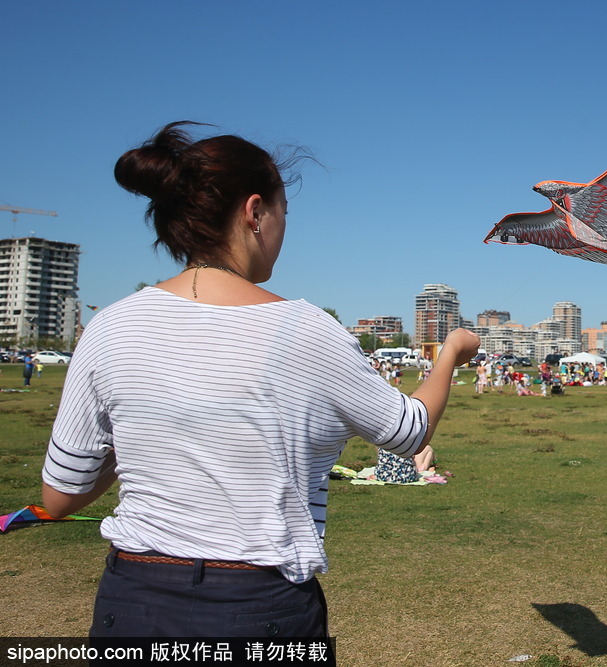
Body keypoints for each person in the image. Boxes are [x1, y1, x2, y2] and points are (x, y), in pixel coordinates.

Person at [39, 122, 480, 640]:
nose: (283, 232)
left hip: (132, 598)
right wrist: (450, 351)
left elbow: (60, 497)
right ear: (255, 212)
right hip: (255, 603)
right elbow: (408, 431)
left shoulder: (110, 325)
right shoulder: (306, 329)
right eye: (283, 214)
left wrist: (140, 440)